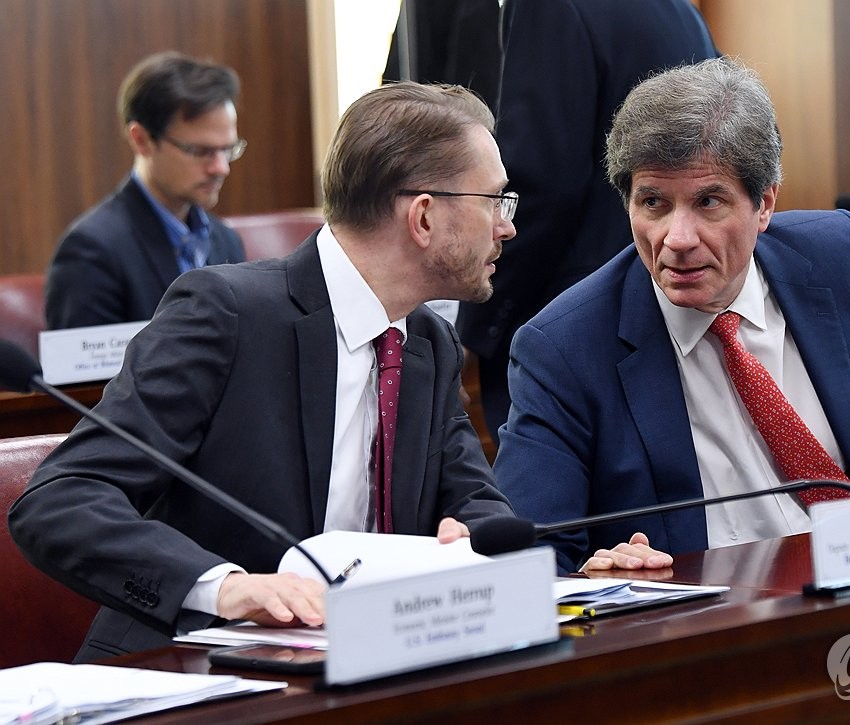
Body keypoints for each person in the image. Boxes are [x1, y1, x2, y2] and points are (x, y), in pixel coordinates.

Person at [493, 58, 850, 575]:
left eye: (708, 202)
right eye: (653, 204)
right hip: (714, 636)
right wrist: (606, 565)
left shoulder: (836, 254)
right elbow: (535, 550)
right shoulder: (564, 347)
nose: (677, 238)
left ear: (765, 203)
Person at [10, 81, 517, 660]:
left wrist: (474, 539)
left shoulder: (429, 343)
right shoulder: (226, 314)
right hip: (190, 670)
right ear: (423, 216)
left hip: (366, 664)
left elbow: (475, 499)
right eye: (495, 201)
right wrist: (226, 586)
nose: (507, 226)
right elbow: (61, 500)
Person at [456, 0, 719, 440]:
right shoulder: (678, 9)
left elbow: (538, 184)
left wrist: (476, 324)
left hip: (567, 327)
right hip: (671, 307)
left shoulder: (552, 7)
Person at [45, 51, 247, 329]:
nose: (221, 168)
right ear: (141, 140)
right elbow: (89, 373)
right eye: (201, 151)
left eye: (227, 149)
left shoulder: (227, 241)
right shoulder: (91, 252)